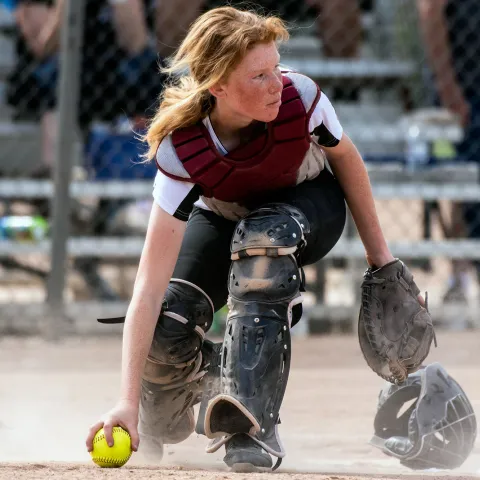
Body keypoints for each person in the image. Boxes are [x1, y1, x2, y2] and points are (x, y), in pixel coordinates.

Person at [86, 6, 425, 472]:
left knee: (262, 242)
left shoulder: (300, 98)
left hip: (309, 206)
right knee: (168, 327)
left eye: (275, 67)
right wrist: (124, 401)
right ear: (217, 86)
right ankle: (217, 372)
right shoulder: (183, 147)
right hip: (226, 215)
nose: (276, 84)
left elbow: (347, 160)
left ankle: (254, 425)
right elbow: (147, 287)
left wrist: (380, 259)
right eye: (259, 75)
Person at [417, 0, 480, 305]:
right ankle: (460, 272)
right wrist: (447, 86)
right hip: (464, 87)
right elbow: (429, 10)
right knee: (461, 180)